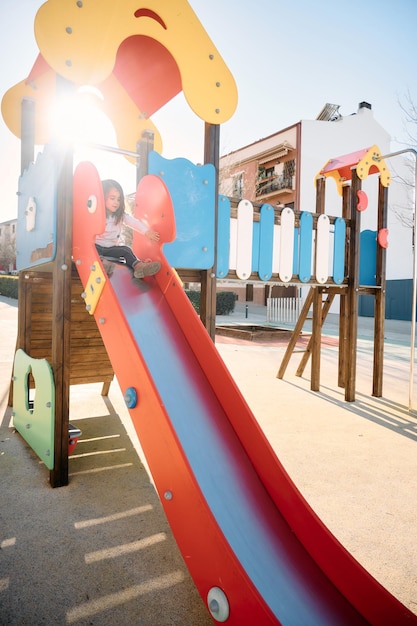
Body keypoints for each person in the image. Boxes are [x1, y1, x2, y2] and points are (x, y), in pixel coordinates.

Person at [95, 179, 161, 279]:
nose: (116, 202)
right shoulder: (95, 214)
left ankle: (138, 266)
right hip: (96, 247)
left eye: (119, 199)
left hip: (112, 249)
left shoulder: (120, 216)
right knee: (93, 251)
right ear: (102, 197)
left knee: (126, 250)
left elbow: (134, 222)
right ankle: (104, 264)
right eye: (112, 198)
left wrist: (146, 232)